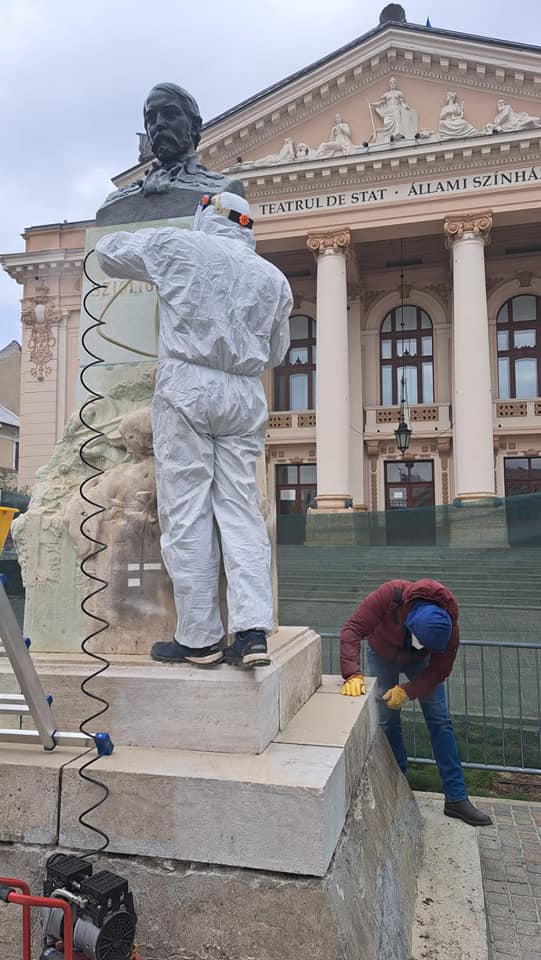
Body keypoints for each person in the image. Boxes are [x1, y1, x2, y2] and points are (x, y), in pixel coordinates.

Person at [96, 192, 292, 668]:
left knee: (187, 510)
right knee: (241, 510)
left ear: (205, 216)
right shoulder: (274, 279)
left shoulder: (177, 245)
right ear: (247, 228)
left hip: (187, 383)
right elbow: (277, 353)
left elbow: (108, 253)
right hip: (245, 393)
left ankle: (199, 637)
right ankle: (251, 632)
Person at [340, 578, 492, 826]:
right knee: (389, 722)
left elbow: (439, 670)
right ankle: (397, 788)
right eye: (420, 640)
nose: (421, 645)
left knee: (440, 722)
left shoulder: (449, 628)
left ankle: (456, 798)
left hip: (421, 664)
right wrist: (352, 674)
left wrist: (408, 690)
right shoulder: (390, 595)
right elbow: (352, 629)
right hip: (382, 655)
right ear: (409, 618)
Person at [97, 83, 244, 225]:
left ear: (195, 125)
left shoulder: (224, 189)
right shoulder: (116, 201)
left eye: (170, 115)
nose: (159, 124)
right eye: (152, 118)